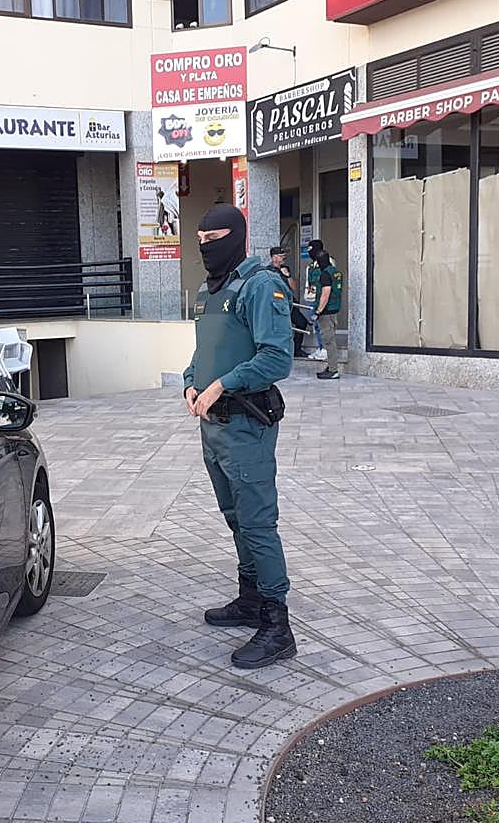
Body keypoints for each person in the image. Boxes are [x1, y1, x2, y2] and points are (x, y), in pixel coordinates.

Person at [183, 205, 297, 670]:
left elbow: (277, 359)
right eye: (201, 238)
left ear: (239, 236)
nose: (207, 245)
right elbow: (202, 351)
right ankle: (250, 597)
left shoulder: (260, 285)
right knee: (235, 517)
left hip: (246, 425)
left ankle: (277, 624)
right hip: (213, 428)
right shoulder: (212, 293)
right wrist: (191, 381)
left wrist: (221, 385)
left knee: (257, 523)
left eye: (216, 237)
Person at [307, 239, 343, 380]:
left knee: (329, 342)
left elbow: (325, 294)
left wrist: (318, 312)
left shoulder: (325, 274)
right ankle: (331, 366)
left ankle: (333, 370)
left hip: (326, 313)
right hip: (334, 310)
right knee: (330, 340)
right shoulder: (335, 272)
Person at [270, 246, 310, 360]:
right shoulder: (268, 271)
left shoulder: (285, 269)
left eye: (284, 256)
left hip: (290, 303)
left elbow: (294, 287)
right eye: (281, 256)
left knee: (302, 322)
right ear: (274, 257)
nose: (283, 258)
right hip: (277, 304)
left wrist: (287, 276)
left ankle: (296, 349)